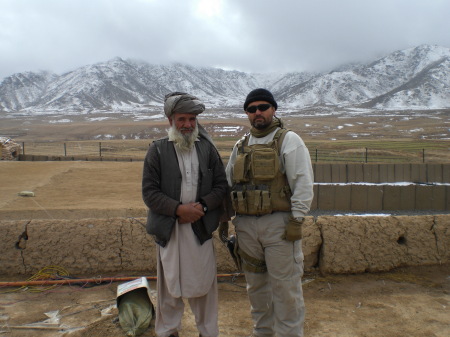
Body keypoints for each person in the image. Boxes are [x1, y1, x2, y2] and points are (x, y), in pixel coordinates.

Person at [222, 88, 314, 337]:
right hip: (247, 227)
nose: (257, 113)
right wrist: (224, 218)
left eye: (263, 107)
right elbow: (229, 182)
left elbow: (302, 183)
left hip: (279, 227)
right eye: (251, 109)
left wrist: (297, 219)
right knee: (257, 291)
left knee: (286, 292)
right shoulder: (241, 145)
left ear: (273, 109)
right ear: (247, 114)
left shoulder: (288, 140)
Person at [142, 92, 228, 337]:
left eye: (192, 119)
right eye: (182, 119)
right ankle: (168, 332)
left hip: (199, 229)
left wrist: (202, 206)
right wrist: (178, 210)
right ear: (170, 120)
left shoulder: (207, 150)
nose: (188, 125)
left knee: (205, 289)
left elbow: (221, 186)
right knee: (169, 289)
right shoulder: (157, 151)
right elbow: (149, 192)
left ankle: (208, 332)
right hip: (171, 232)